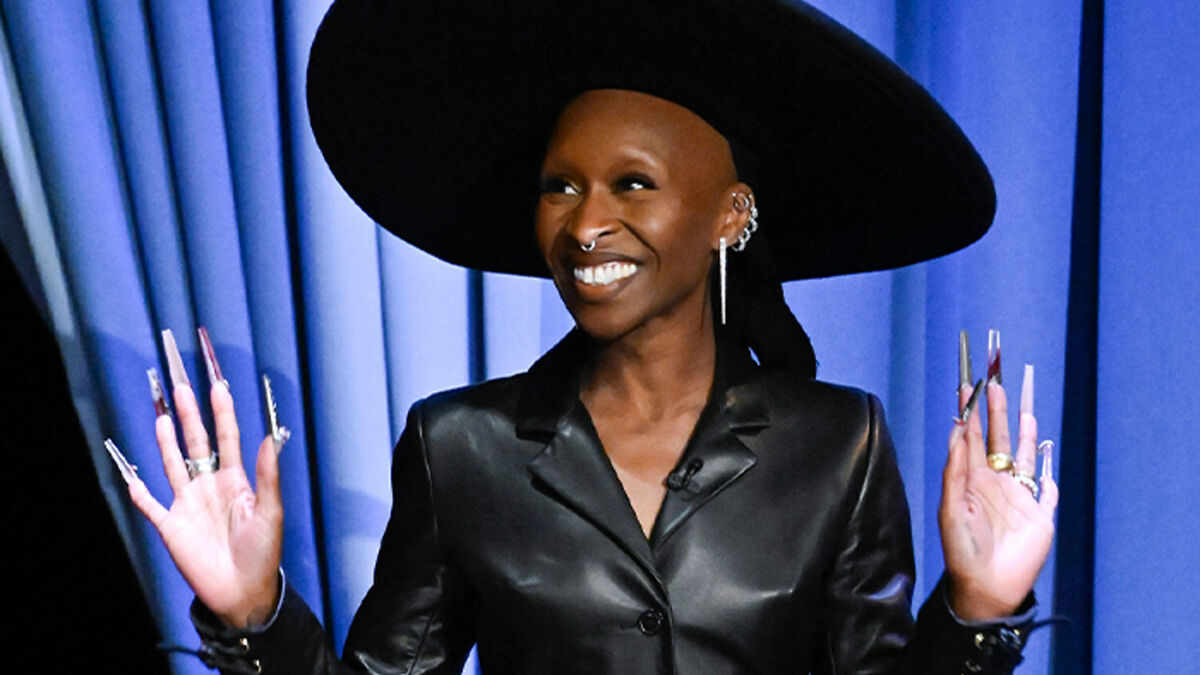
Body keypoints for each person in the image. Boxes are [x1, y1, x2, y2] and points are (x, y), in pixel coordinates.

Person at [113, 1, 1059, 672]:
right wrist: (253, 612)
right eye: (559, 185)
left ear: (731, 215)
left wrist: (980, 608)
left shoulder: (838, 442)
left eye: (632, 184)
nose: (584, 223)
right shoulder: (461, 447)